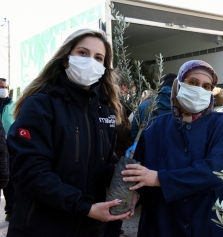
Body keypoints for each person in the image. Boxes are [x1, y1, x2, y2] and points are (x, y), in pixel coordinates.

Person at [6, 29, 131, 237]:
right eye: (83, 53)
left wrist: (125, 186)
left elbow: (105, 164)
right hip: (40, 229)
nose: (90, 61)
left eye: (98, 58)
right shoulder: (40, 105)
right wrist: (85, 207)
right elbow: (31, 173)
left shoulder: (105, 110)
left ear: (103, 67)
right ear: (66, 59)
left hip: (90, 228)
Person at [121, 60, 223, 236]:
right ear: (178, 85)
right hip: (164, 223)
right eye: (193, 82)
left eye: (206, 86)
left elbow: (217, 170)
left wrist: (159, 179)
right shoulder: (155, 127)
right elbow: (140, 170)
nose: (200, 89)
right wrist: (134, 194)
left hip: (210, 223)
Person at [130, 73, 176, 142]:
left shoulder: (143, 106)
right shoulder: (183, 109)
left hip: (145, 150)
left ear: (162, 84)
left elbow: (134, 135)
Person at [0, 78, 15, 221]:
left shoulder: (13, 105)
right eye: (0, 87)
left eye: (4, 87)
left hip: (9, 147)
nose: (2, 89)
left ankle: (10, 209)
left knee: (8, 179)